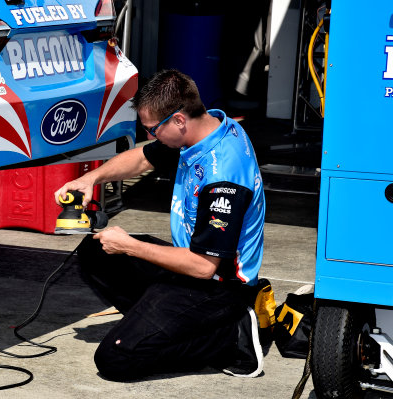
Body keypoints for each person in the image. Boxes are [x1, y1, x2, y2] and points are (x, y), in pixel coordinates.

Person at [54, 69, 266, 381]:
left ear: (179, 120)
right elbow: (143, 158)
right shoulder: (206, 128)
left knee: (115, 358)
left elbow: (204, 267)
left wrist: (130, 246)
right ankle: (162, 324)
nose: (152, 136)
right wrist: (90, 178)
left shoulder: (224, 179)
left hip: (219, 286)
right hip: (191, 263)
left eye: (153, 130)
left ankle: (226, 338)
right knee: (96, 251)